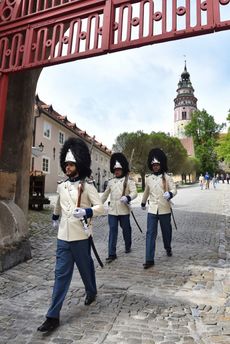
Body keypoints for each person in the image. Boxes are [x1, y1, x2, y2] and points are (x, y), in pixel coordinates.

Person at [37, 137, 104, 333]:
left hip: (81, 238)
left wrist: (87, 211)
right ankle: (52, 316)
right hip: (63, 239)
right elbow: (58, 203)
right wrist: (55, 216)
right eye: (66, 164)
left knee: (86, 270)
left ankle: (91, 291)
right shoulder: (62, 185)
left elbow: (100, 207)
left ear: (79, 165)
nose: (67, 167)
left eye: (71, 164)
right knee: (61, 276)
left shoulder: (88, 186)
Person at [141, 148, 177, 269]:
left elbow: (174, 189)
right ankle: (149, 259)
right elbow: (146, 192)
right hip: (152, 209)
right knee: (150, 233)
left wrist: (170, 194)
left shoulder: (167, 177)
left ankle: (168, 247)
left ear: (161, 165)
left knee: (166, 232)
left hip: (164, 209)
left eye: (157, 164)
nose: (155, 167)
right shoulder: (149, 178)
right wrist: (142, 202)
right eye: (154, 165)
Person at [101, 152, 137, 263]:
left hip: (124, 210)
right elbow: (105, 195)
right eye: (115, 169)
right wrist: (97, 204)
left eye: (119, 169)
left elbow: (134, 192)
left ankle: (128, 245)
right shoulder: (111, 182)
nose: (116, 171)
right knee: (113, 231)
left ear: (123, 170)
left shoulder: (129, 181)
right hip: (112, 211)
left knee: (126, 230)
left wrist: (128, 197)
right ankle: (112, 254)